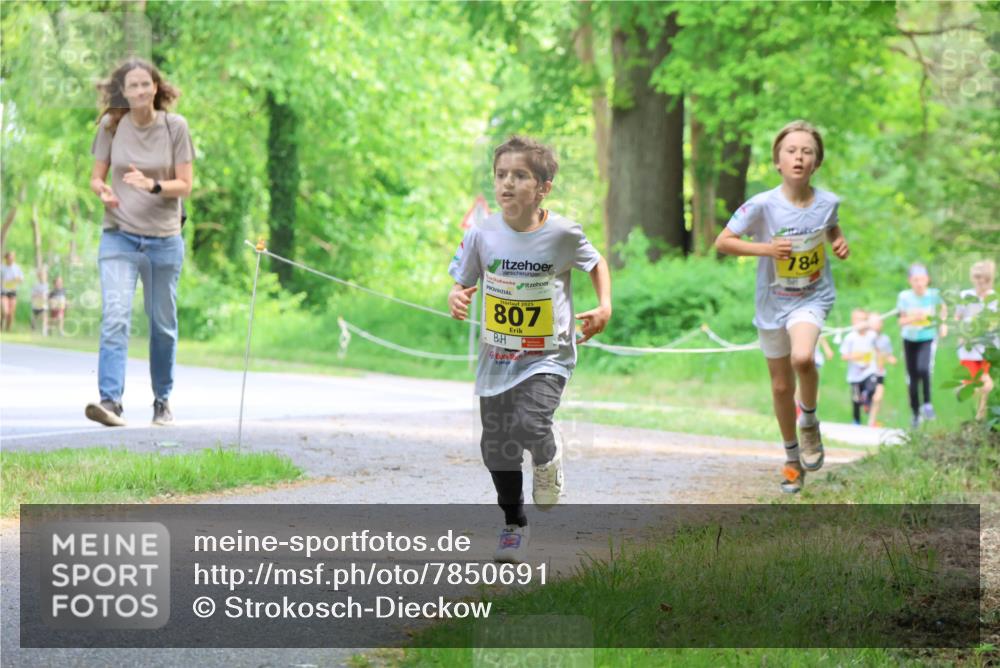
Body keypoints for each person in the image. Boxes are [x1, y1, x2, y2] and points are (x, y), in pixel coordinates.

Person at [448, 136, 611, 563]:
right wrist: (457, 296)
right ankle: (513, 524)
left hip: (549, 356)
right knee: (495, 444)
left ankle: (547, 453)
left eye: (520, 176)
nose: (507, 183)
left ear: (543, 187)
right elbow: (462, 279)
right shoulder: (482, 233)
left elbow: (596, 263)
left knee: (529, 422)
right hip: (498, 358)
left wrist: (604, 307)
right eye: (501, 175)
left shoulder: (562, 233)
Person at [715, 120, 850, 494]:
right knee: (779, 386)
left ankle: (808, 420)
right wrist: (767, 249)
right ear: (778, 160)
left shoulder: (828, 202)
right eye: (791, 151)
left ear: (816, 162)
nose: (799, 157)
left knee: (803, 358)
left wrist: (837, 241)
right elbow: (723, 241)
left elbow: (831, 225)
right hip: (773, 301)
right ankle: (792, 459)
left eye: (807, 151)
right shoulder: (761, 205)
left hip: (811, 297)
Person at [85, 58, 194, 427]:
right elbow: (96, 178)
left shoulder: (175, 127)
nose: (139, 91)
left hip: (164, 240)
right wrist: (104, 193)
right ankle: (110, 402)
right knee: (115, 316)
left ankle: (162, 400)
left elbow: (186, 185)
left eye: (145, 84)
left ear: (156, 87)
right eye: (131, 86)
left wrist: (153, 186)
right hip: (119, 236)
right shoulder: (111, 126)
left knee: (162, 324)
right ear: (123, 92)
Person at [897, 263, 947, 427]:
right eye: (915, 280)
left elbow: (943, 309)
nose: (919, 283)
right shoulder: (904, 297)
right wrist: (914, 318)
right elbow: (901, 321)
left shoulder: (934, 295)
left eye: (922, 279)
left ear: (928, 280)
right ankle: (915, 413)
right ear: (910, 281)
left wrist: (943, 324)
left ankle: (927, 404)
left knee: (924, 369)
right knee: (912, 378)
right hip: (910, 340)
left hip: (927, 337)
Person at [954, 260, 997, 420]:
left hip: (986, 346)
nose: (981, 282)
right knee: (974, 384)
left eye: (985, 278)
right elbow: (958, 316)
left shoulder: (994, 298)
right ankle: (965, 391)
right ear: (973, 278)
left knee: (985, 383)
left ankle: (980, 415)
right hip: (968, 347)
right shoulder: (966, 296)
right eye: (978, 278)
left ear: (990, 279)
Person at [840, 309, 877, 426]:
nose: (860, 322)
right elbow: (844, 356)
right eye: (857, 319)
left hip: (869, 370)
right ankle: (856, 420)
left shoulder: (872, 335)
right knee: (856, 399)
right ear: (853, 321)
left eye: (863, 319)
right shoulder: (850, 337)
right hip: (855, 375)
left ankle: (866, 398)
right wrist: (855, 356)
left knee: (871, 388)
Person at [867, 312, 896, 427]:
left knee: (878, 396)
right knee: (869, 395)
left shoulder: (885, 339)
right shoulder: (867, 337)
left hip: (880, 372)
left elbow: (888, 354)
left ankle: (872, 421)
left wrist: (891, 358)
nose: (876, 325)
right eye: (873, 322)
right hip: (867, 372)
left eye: (878, 322)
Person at [1, 251, 24, 331]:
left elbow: (21, 279)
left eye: (12, 258)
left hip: (13, 292)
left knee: (11, 313)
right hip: (3, 291)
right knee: (5, 311)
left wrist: (17, 279)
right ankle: (1, 323)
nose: (11, 259)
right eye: (9, 258)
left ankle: (8, 329)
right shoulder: (2, 268)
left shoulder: (17, 268)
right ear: (6, 258)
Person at [30, 267, 49, 336]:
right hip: (36, 304)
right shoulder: (35, 285)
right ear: (38, 276)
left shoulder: (47, 285)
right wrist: (37, 296)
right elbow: (33, 295)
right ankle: (32, 329)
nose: (43, 277)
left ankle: (44, 331)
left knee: (44, 317)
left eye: (44, 275)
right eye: (41, 275)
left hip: (43, 305)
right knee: (34, 318)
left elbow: (48, 295)